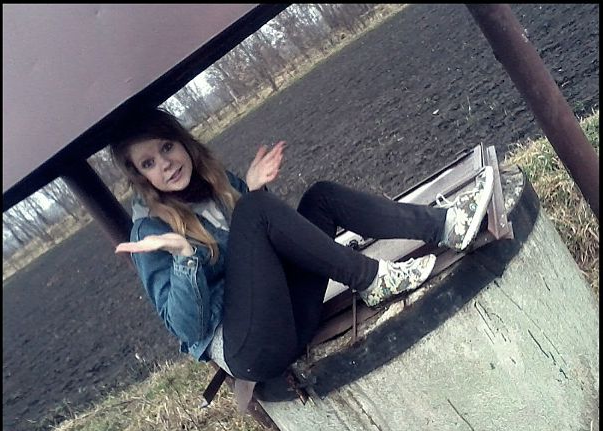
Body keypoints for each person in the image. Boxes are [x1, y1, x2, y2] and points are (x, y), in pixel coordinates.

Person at [110, 107, 493, 408]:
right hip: (252, 351)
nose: (165, 163)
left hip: (290, 317)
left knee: (320, 198)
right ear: (141, 178)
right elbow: (187, 329)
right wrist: (185, 258)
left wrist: (252, 192)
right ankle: (374, 279)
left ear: (184, 143)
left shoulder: (215, 181)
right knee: (254, 209)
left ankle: (446, 226)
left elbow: (269, 244)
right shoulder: (150, 230)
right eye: (148, 163)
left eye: (166, 147)